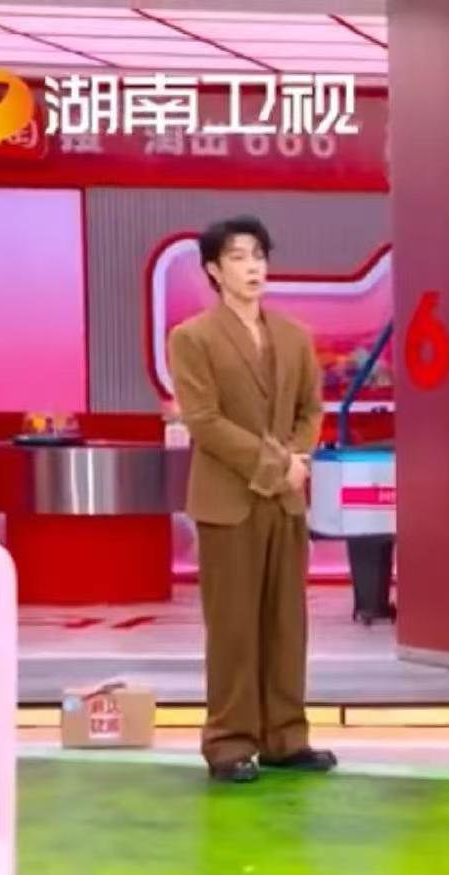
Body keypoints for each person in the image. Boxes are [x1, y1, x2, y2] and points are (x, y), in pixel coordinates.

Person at [166, 216, 338, 784]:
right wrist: (276, 465)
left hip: (285, 500)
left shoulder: (293, 335)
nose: (253, 267)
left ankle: (286, 737)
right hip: (228, 501)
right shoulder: (193, 338)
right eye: (238, 257)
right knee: (234, 627)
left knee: (287, 624)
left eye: (259, 255)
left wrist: (298, 457)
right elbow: (204, 421)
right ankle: (229, 742)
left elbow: (310, 409)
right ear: (214, 271)